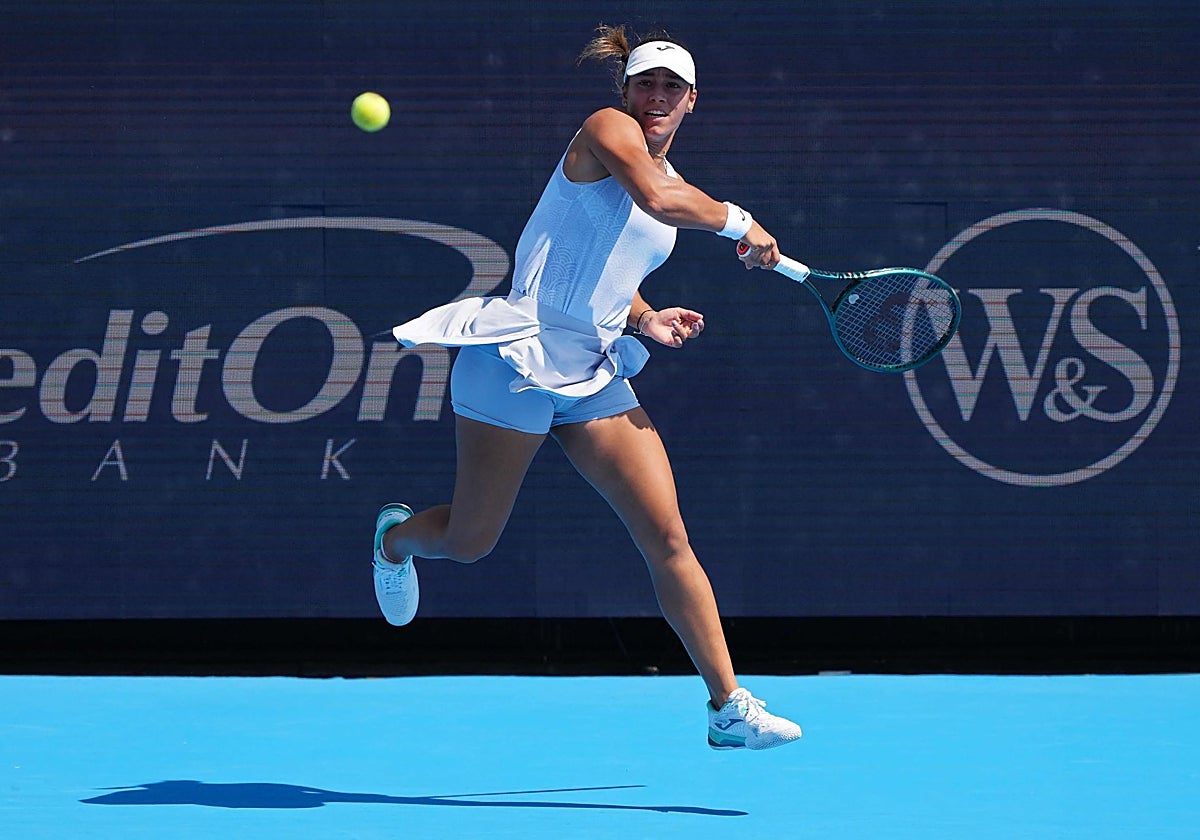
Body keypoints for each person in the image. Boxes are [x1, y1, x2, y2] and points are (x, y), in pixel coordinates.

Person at [373, 25, 802, 751]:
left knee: (668, 535)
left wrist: (645, 317)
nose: (656, 96)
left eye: (672, 88)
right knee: (471, 541)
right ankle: (395, 540)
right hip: (515, 357)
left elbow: (614, 264)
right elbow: (660, 203)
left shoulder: (672, 178)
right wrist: (742, 221)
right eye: (646, 85)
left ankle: (726, 706)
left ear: (692, 101)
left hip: (593, 369)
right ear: (626, 93)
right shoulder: (607, 131)